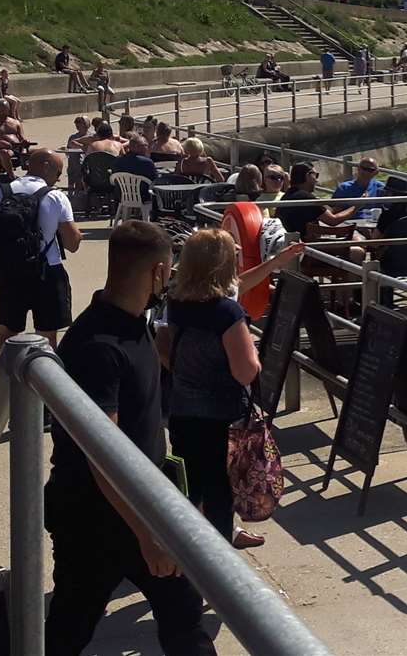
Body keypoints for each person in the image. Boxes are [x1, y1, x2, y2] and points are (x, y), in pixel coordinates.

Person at [43, 220, 217, 656]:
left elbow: (145, 424)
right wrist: (147, 532)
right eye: (170, 271)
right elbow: (102, 454)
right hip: (96, 519)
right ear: (158, 272)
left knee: (183, 620)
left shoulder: (133, 323)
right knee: (69, 628)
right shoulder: (98, 347)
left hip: (142, 504)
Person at [162, 229, 266, 549]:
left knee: (189, 485)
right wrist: (257, 358)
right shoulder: (227, 312)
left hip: (181, 408)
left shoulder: (175, 301)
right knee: (220, 491)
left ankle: (184, 550)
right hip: (221, 415)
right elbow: (245, 372)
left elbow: (164, 352)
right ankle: (218, 564)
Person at [0, 150, 81, 346]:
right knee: (47, 339)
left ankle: (7, 375)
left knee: (6, 337)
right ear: (45, 166)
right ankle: (42, 374)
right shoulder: (55, 197)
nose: (59, 177)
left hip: (8, 271)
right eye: (58, 171)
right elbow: (72, 244)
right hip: (46, 272)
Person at [275, 163, 327, 238]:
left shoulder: (288, 195)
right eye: (316, 175)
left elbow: (326, 213)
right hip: (304, 245)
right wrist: (350, 205)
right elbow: (333, 220)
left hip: (290, 242)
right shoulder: (305, 197)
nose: (316, 180)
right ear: (307, 175)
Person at [0, 98, 28, 173]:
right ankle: (11, 175)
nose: (1, 112)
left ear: (8, 110)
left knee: (38, 153)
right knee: (5, 153)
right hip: (0, 149)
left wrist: (25, 143)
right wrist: (2, 143)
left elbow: (22, 138)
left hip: (17, 148)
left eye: (4, 110)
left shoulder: (16, 122)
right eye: (0, 110)